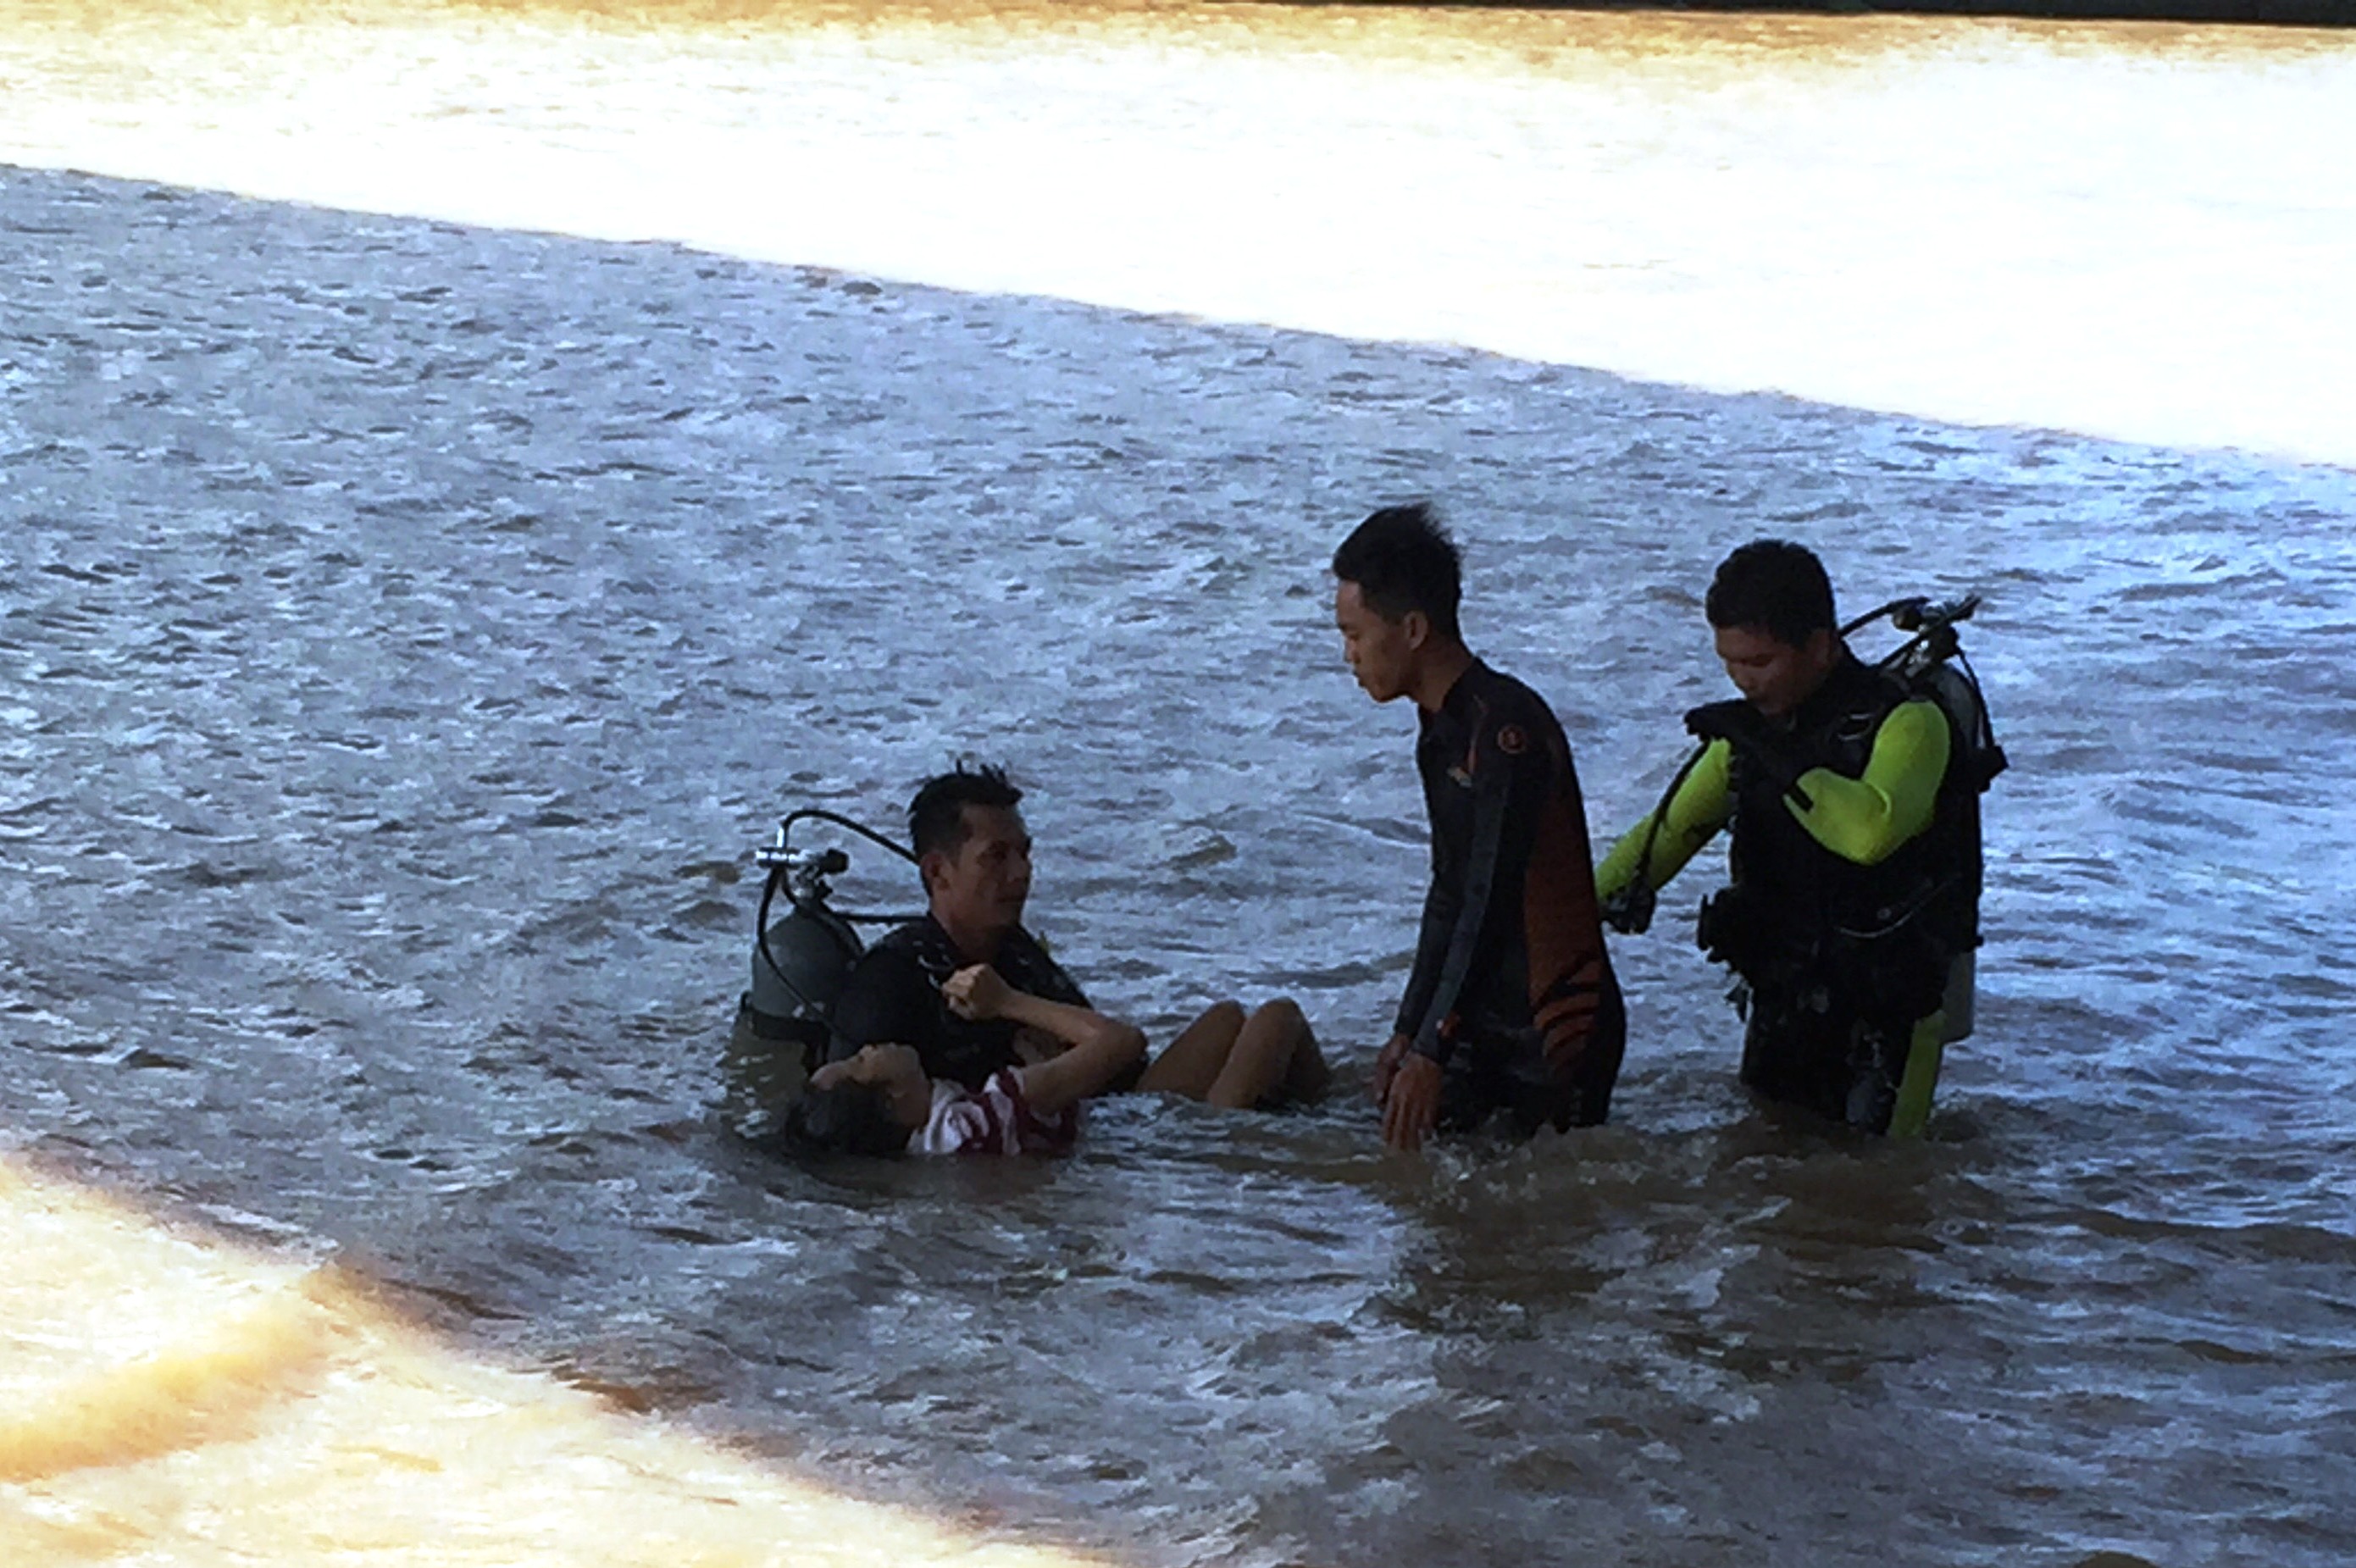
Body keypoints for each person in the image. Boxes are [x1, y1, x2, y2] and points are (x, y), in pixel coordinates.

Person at [1594, 540, 1998, 1137]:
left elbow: (1869, 833)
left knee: (1882, 1197)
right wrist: (1559, 917)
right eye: (1729, 663)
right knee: (1768, 1185)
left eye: (1759, 663)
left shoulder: (1910, 723)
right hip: (1783, 996)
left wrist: (1771, 752)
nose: (1742, 682)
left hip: (1889, 1013)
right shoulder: (1748, 739)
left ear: (1820, 645)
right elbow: (1667, 835)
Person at [1332, 502, 1625, 1152]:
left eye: (1354, 634)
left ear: (1411, 628)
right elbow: (1447, 891)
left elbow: (1489, 898)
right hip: (1482, 1016)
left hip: (1555, 1023)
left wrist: (1434, 1046)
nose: (1348, 656)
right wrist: (1408, 1030)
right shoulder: (1440, 730)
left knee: (1543, 1217)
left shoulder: (1502, 733)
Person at [823, 762, 1328, 1120]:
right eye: (996, 857)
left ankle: (1332, 1137)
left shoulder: (1015, 951)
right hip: (1085, 1147)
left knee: (1236, 1019)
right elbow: (851, 1119)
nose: (1021, 874)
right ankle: (1245, 1162)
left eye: (1024, 853)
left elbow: (1120, 1061)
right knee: (1274, 1020)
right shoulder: (891, 980)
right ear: (938, 872)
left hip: (1105, 1119)